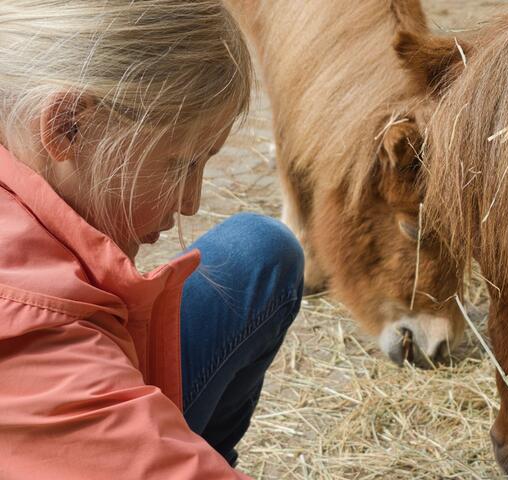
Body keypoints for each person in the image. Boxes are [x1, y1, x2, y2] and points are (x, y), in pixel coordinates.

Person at [0, 2, 304, 478]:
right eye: (180, 163)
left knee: (257, 251)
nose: (191, 203)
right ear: (68, 125)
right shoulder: (35, 332)